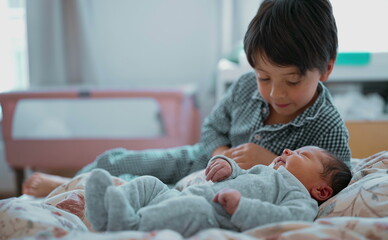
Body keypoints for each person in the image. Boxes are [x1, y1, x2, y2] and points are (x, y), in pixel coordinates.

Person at [22, 0, 351, 198]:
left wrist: (271, 163)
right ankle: (73, 181)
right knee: (115, 159)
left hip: (228, 189)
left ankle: (73, 190)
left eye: (292, 81)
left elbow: (330, 185)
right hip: (197, 161)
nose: (276, 92)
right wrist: (219, 152)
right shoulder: (243, 89)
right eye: (264, 77)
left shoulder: (328, 127)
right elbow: (212, 128)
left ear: (326, 69)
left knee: (141, 188)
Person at [85, 146, 352, 237]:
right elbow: (240, 175)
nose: (287, 151)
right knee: (149, 183)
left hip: (209, 213)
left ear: (320, 190)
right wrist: (226, 166)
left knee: (192, 209)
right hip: (182, 197)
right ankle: (109, 211)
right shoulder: (266, 172)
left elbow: (291, 218)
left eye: (301, 155)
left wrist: (242, 207)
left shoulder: (297, 195)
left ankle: (127, 223)